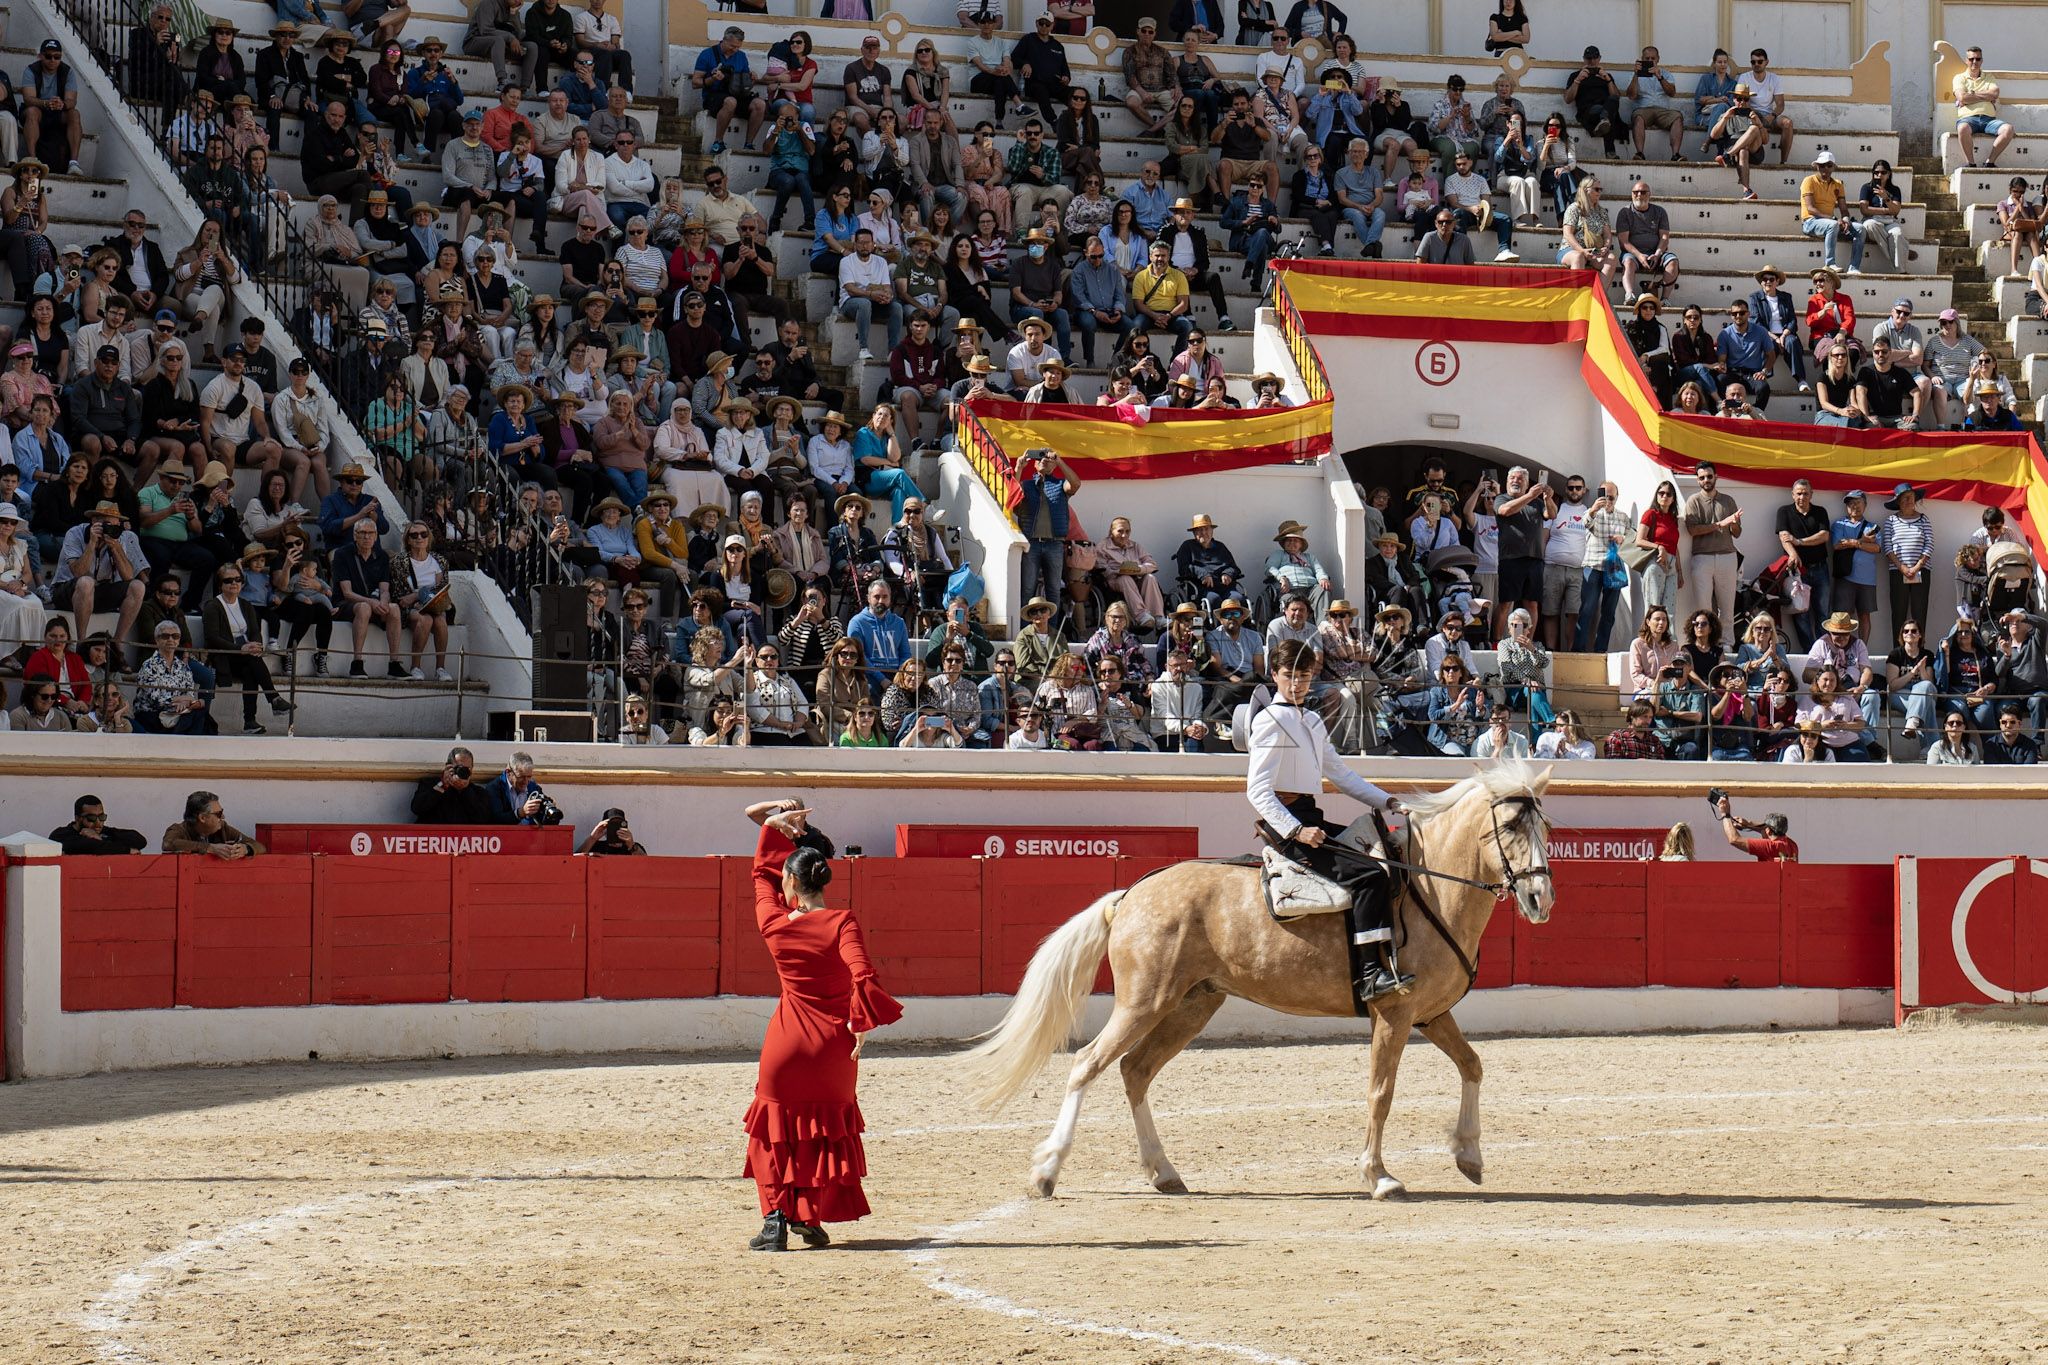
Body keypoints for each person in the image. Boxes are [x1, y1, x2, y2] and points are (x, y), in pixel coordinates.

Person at [740, 798, 900, 1251]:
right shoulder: (842, 922)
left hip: (786, 1045)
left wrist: (772, 829)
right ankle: (807, 1218)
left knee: (773, 1133)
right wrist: (861, 1020)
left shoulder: (773, 924)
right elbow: (861, 972)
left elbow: (760, 876)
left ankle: (775, 1220)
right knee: (822, 1133)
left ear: (791, 882)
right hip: (834, 1046)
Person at [1247, 637, 1408, 1004]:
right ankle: (1370, 974)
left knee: (1385, 855)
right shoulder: (1271, 720)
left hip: (1309, 816)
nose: (1297, 683)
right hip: (1289, 825)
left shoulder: (1312, 720)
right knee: (1369, 875)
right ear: (1274, 675)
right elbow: (1256, 790)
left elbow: (1342, 775)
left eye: (1304, 676)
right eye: (1290, 675)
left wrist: (1389, 801)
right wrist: (1296, 831)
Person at [1953, 45, 2015, 169]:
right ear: (1966, 60)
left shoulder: (1989, 77)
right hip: (1968, 119)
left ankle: (1989, 162)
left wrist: (1971, 94)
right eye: (1971, 59)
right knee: (1962, 128)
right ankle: (1971, 163)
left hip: (1989, 120)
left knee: (2008, 129)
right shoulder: (1959, 78)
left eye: (1978, 59)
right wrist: (1985, 96)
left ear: (1982, 60)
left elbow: (1995, 93)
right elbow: (1962, 97)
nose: (1974, 62)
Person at [49, 794, 150, 854]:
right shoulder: (62, 834)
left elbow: (140, 841)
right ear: (78, 818)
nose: (98, 823)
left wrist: (101, 840)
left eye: (102, 817)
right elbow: (90, 846)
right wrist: (127, 850)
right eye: (91, 818)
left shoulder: (104, 831)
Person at [1714, 793, 1797, 862]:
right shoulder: (1792, 845)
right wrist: (1748, 824)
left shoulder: (1770, 846)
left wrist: (1725, 815)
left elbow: (1734, 840)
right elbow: (1764, 829)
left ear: (1768, 831)